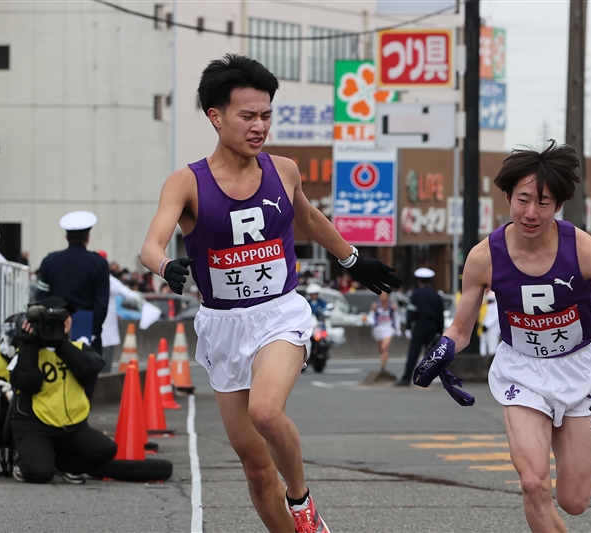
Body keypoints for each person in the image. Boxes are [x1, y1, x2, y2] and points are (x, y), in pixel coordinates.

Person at [139, 54, 400, 533]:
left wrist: (353, 259)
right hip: (222, 325)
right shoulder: (186, 182)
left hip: (280, 313)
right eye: (247, 116)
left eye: (266, 115)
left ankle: (301, 500)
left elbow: (308, 217)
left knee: (265, 411)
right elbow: (150, 244)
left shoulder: (283, 170)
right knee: (257, 471)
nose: (259, 126)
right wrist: (166, 265)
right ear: (215, 117)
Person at [413, 140, 591, 533]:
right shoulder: (484, 256)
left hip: (581, 369)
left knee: (574, 501)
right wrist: (441, 352)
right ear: (507, 196)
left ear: (558, 205)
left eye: (543, 202)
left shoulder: (583, 248)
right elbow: (461, 328)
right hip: (522, 370)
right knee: (533, 482)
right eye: (523, 200)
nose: (531, 213)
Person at [8, 296, 117, 484]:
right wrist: (28, 345)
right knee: (40, 473)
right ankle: (25, 462)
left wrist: (61, 344)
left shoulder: (78, 347)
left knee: (106, 449)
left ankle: (65, 466)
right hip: (35, 425)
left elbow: (89, 371)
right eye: (55, 318)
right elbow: (28, 384)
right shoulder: (29, 349)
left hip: (72, 427)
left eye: (66, 316)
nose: (64, 320)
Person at [35, 210, 110, 356]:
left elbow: (41, 297)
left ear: (66, 236)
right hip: (87, 331)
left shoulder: (49, 261)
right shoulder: (99, 264)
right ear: (88, 237)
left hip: (53, 329)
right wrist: (92, 332)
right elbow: (101, 304)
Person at [98, 251, 144, 374]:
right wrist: (140, 299)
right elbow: (128, 294)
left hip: (98, 333)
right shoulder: (109, 280)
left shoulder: (105, 280)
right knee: (103, 370)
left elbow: (128, 294)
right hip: (105, 333)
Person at [396, 267, 443, 387]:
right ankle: (441, 379)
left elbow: (411, 311)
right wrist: (439, 330)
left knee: (413, 353)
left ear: (419, 281)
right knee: (433, 355)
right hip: (432, 326)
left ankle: (406, 379)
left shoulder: (416, 294)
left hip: (420, 325)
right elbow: (440, 314)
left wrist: (407, 327)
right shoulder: (436, 295)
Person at [367, 291, 401, 376]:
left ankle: (383, 366)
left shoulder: (392, 306)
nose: (382, 297)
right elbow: (371, 316)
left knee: (383, 347)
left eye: (384, 295)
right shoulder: (375, 306)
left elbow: (396, 317)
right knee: (380, 349)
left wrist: (397, 328)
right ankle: (383, 363)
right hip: (378, 328)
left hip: (388, 328)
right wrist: (370, 321)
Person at [479, 290, 500, 357]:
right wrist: (482, 324)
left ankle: (491, 360)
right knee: (483, 344)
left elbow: (496, 315)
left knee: (492, 344)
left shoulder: (493, 295)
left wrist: (488, 325)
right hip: (483, 325)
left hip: (493, 327)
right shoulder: (483, 295)